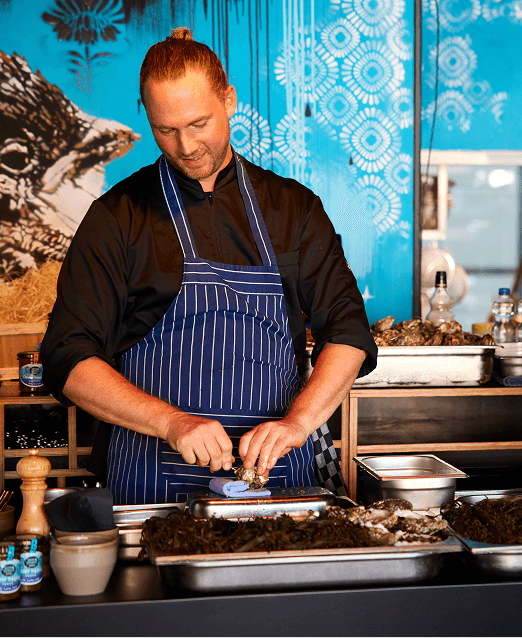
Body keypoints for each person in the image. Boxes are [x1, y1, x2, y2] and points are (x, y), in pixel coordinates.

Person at [42, 28, 377, 505]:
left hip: (280, 478)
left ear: (229, 100)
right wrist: (171, 422)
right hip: (151, 482)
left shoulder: (293, 209)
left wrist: (298, 423)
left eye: (199, 123)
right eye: (166, 130)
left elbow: (347, 332)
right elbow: (67, 357)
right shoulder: (117, 217)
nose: (186, 146)